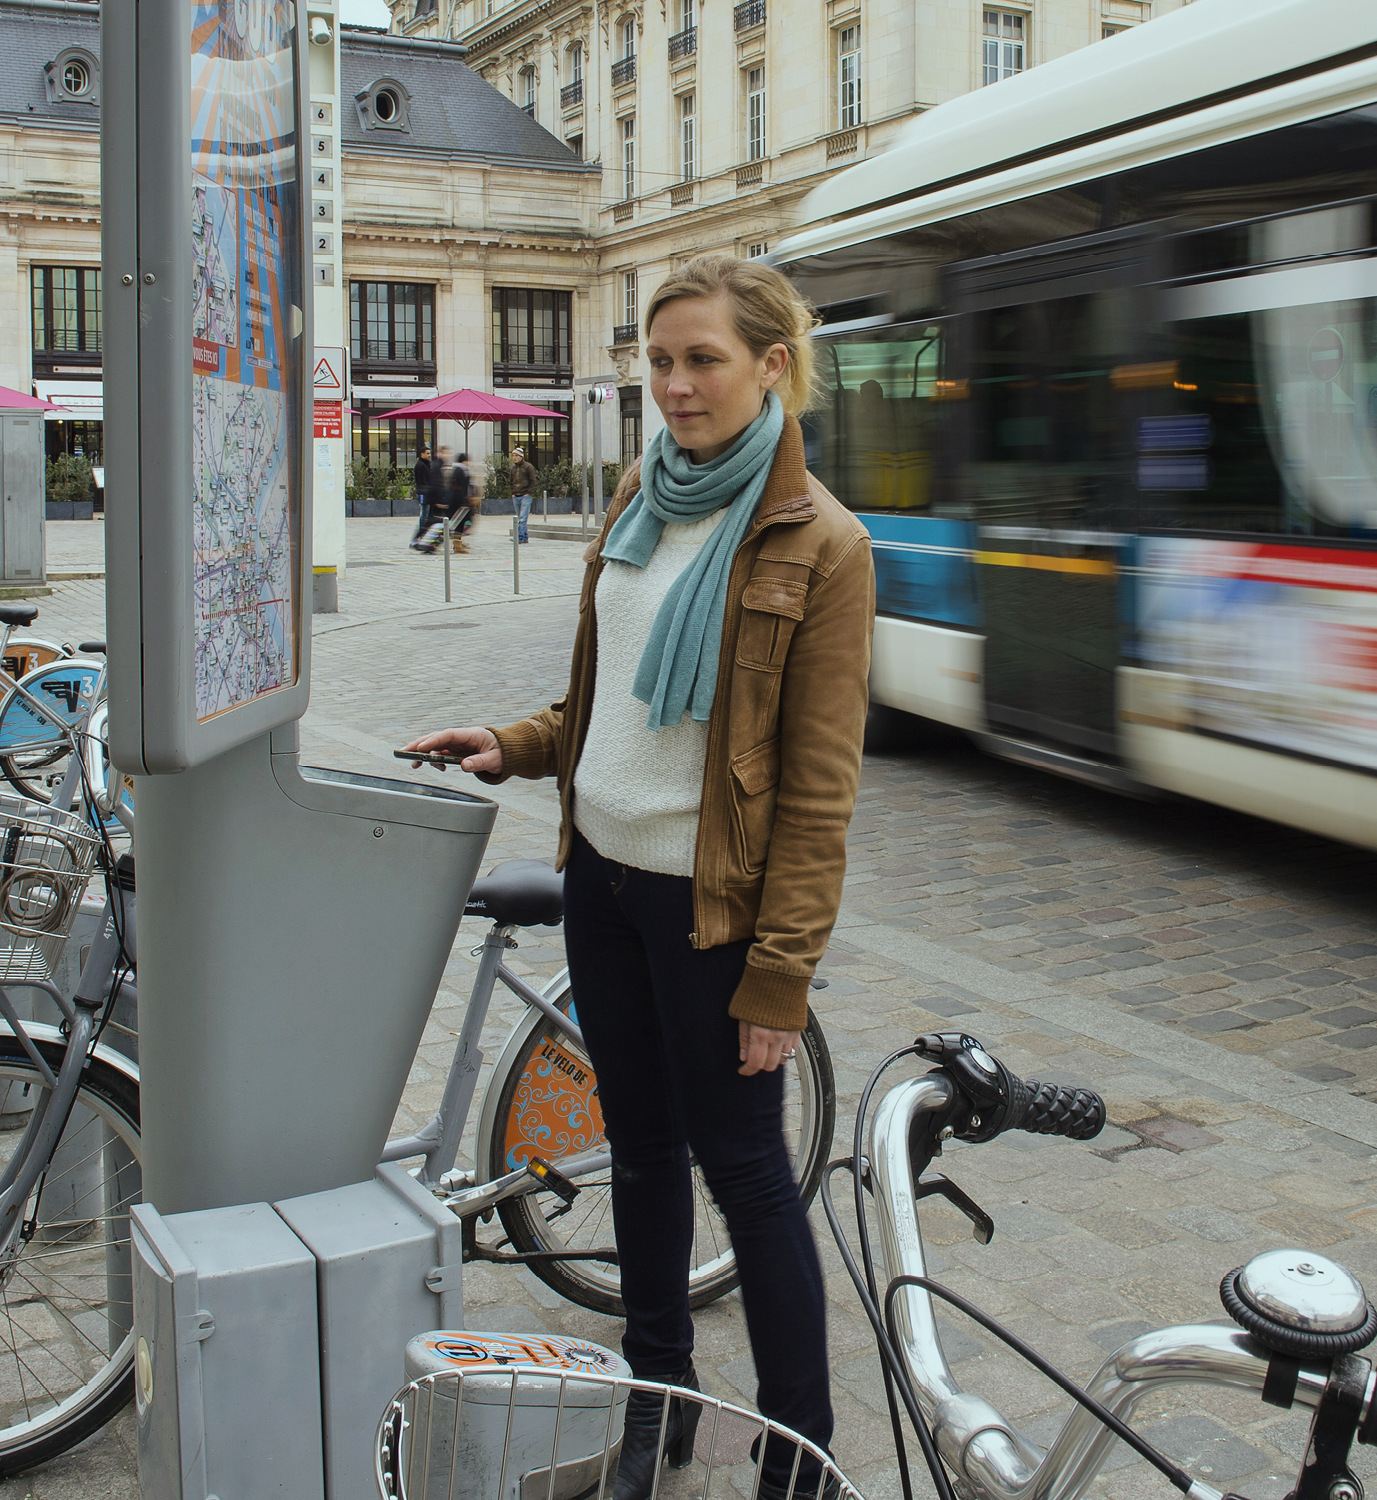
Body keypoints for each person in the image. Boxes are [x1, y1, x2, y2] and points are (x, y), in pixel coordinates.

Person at [405, 252, 870, 1500]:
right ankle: (657, 1400)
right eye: (659, 362)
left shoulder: (822, 544)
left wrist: (782, 978)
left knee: (750, 1177)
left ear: (772, 366)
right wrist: (517, 744)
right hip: (601, 882)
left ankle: (800, 1455)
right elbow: (607, 703)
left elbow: (820, 792)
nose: (675, 386)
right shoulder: (639, 498)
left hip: (708, 911)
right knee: (644, 1155)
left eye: (701, 359)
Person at [507, 445, 538, 544]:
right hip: (516, 495)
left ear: (521, 456)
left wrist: (529, 492)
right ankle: (524, 537)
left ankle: (520, 537)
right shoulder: (513, 468)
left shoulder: (528, 467)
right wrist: (512, 493)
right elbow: (511, 481)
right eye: (513, 455)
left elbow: (533, 480)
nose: (514, 457)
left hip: (525, 495)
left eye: (516, 455)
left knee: (522, 518)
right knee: (519, 517)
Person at [412, 446, 440, 545]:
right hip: (423, 492)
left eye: (429, 453)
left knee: (426, 513)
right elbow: (422, 481)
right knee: (424, 513)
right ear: (422, 454)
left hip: (425, 492)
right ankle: (421, 532)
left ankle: (423, 532)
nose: (429, 455)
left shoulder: (427, 464)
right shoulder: (421, 465)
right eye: (427, 453)